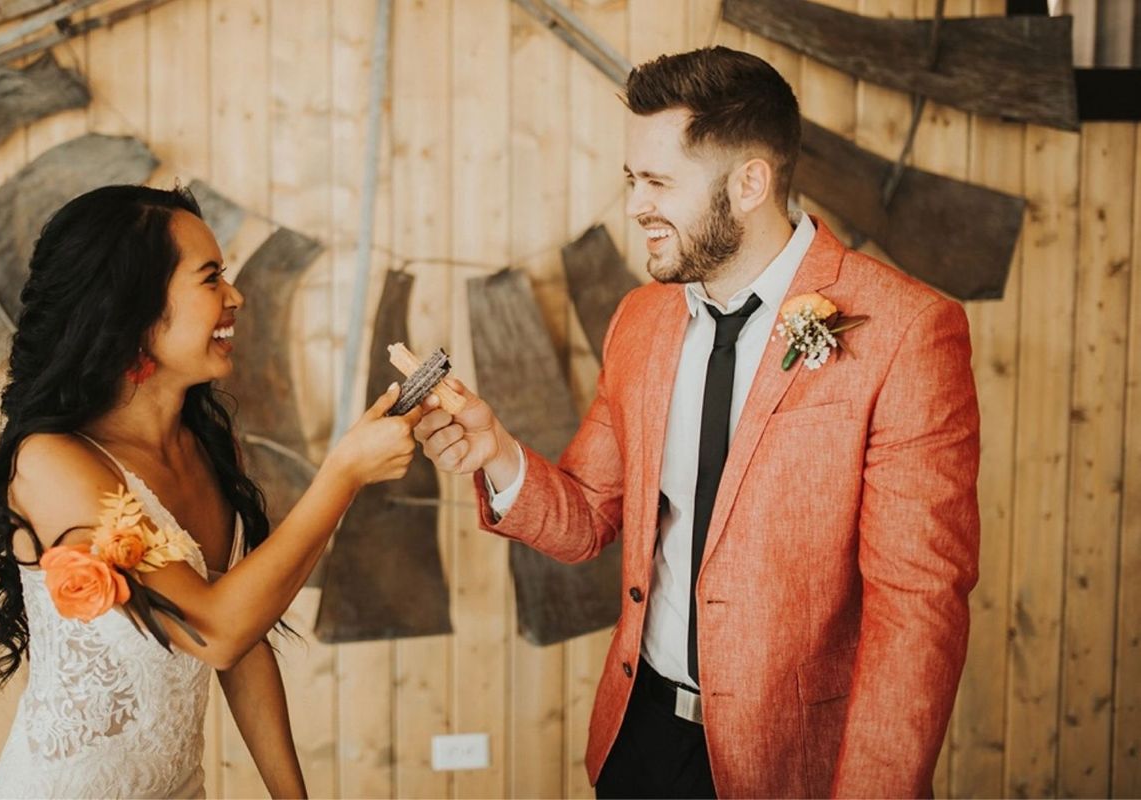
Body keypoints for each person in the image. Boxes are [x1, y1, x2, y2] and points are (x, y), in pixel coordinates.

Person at [414, 47, 980, 797]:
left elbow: (917, 615)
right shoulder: (640, 320)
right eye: (630, 181)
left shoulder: (908, 332)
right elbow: (587, 514)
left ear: (750, 183)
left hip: (797, 764)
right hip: (639, 738)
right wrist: (497, 452)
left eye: (657, 183)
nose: (634, 207)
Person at [0, 184, 420, 798]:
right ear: (131, 306)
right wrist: (342, 475)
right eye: (211, 279)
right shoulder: (54, 463)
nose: (235, 297)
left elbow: (246, 639)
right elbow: (216, 630)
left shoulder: (203, 446)